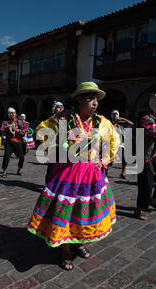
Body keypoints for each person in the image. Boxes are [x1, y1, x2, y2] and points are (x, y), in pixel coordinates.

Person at [28, 82, 120, 271]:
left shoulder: (102, 122)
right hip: (69, 174)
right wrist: (62, 150)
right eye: (90, 99)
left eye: (96, 100)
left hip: (92, 175)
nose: (95, 103)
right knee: (66, 212)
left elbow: (114, 140)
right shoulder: (65, 120)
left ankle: (79, 242)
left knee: (85, 212)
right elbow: (42, 130)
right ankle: (65, 250)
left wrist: (104, 160)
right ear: (79, 100)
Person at [37, 101, 65, 184]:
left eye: (61, 107)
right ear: (54, 108)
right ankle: (48, 185)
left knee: (62, 167)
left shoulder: (65, 119)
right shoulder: (50, 120)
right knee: (52, 167)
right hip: (53, 146)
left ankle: (59, 185)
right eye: (57, 107)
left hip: (63, 146)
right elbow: (39, 129)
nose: (59, 109)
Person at [0, 108, 28, 178]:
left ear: (15, 113)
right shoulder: (5, 122)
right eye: (10, 113)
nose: (12, 114)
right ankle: (4, 171)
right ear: (8, 114)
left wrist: (17, 130)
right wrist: (7, 129)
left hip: (18, 142)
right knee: (6, 157)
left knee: (21, 157)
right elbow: (2, 130)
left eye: (13, 113)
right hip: (9, 142)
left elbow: (24, 131)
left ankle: (19, 170)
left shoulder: (21, 122)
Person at [110, 110, 134, 179]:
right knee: (109, 157)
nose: (115, 116)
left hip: (121, 143)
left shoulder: (121, 123)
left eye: (117, 114)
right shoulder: (109, 123)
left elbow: (132, 124)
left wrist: (123, 119)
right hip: (112, 143)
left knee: (124, 157)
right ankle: (105, 171)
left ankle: (123, 173)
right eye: (114, 115)